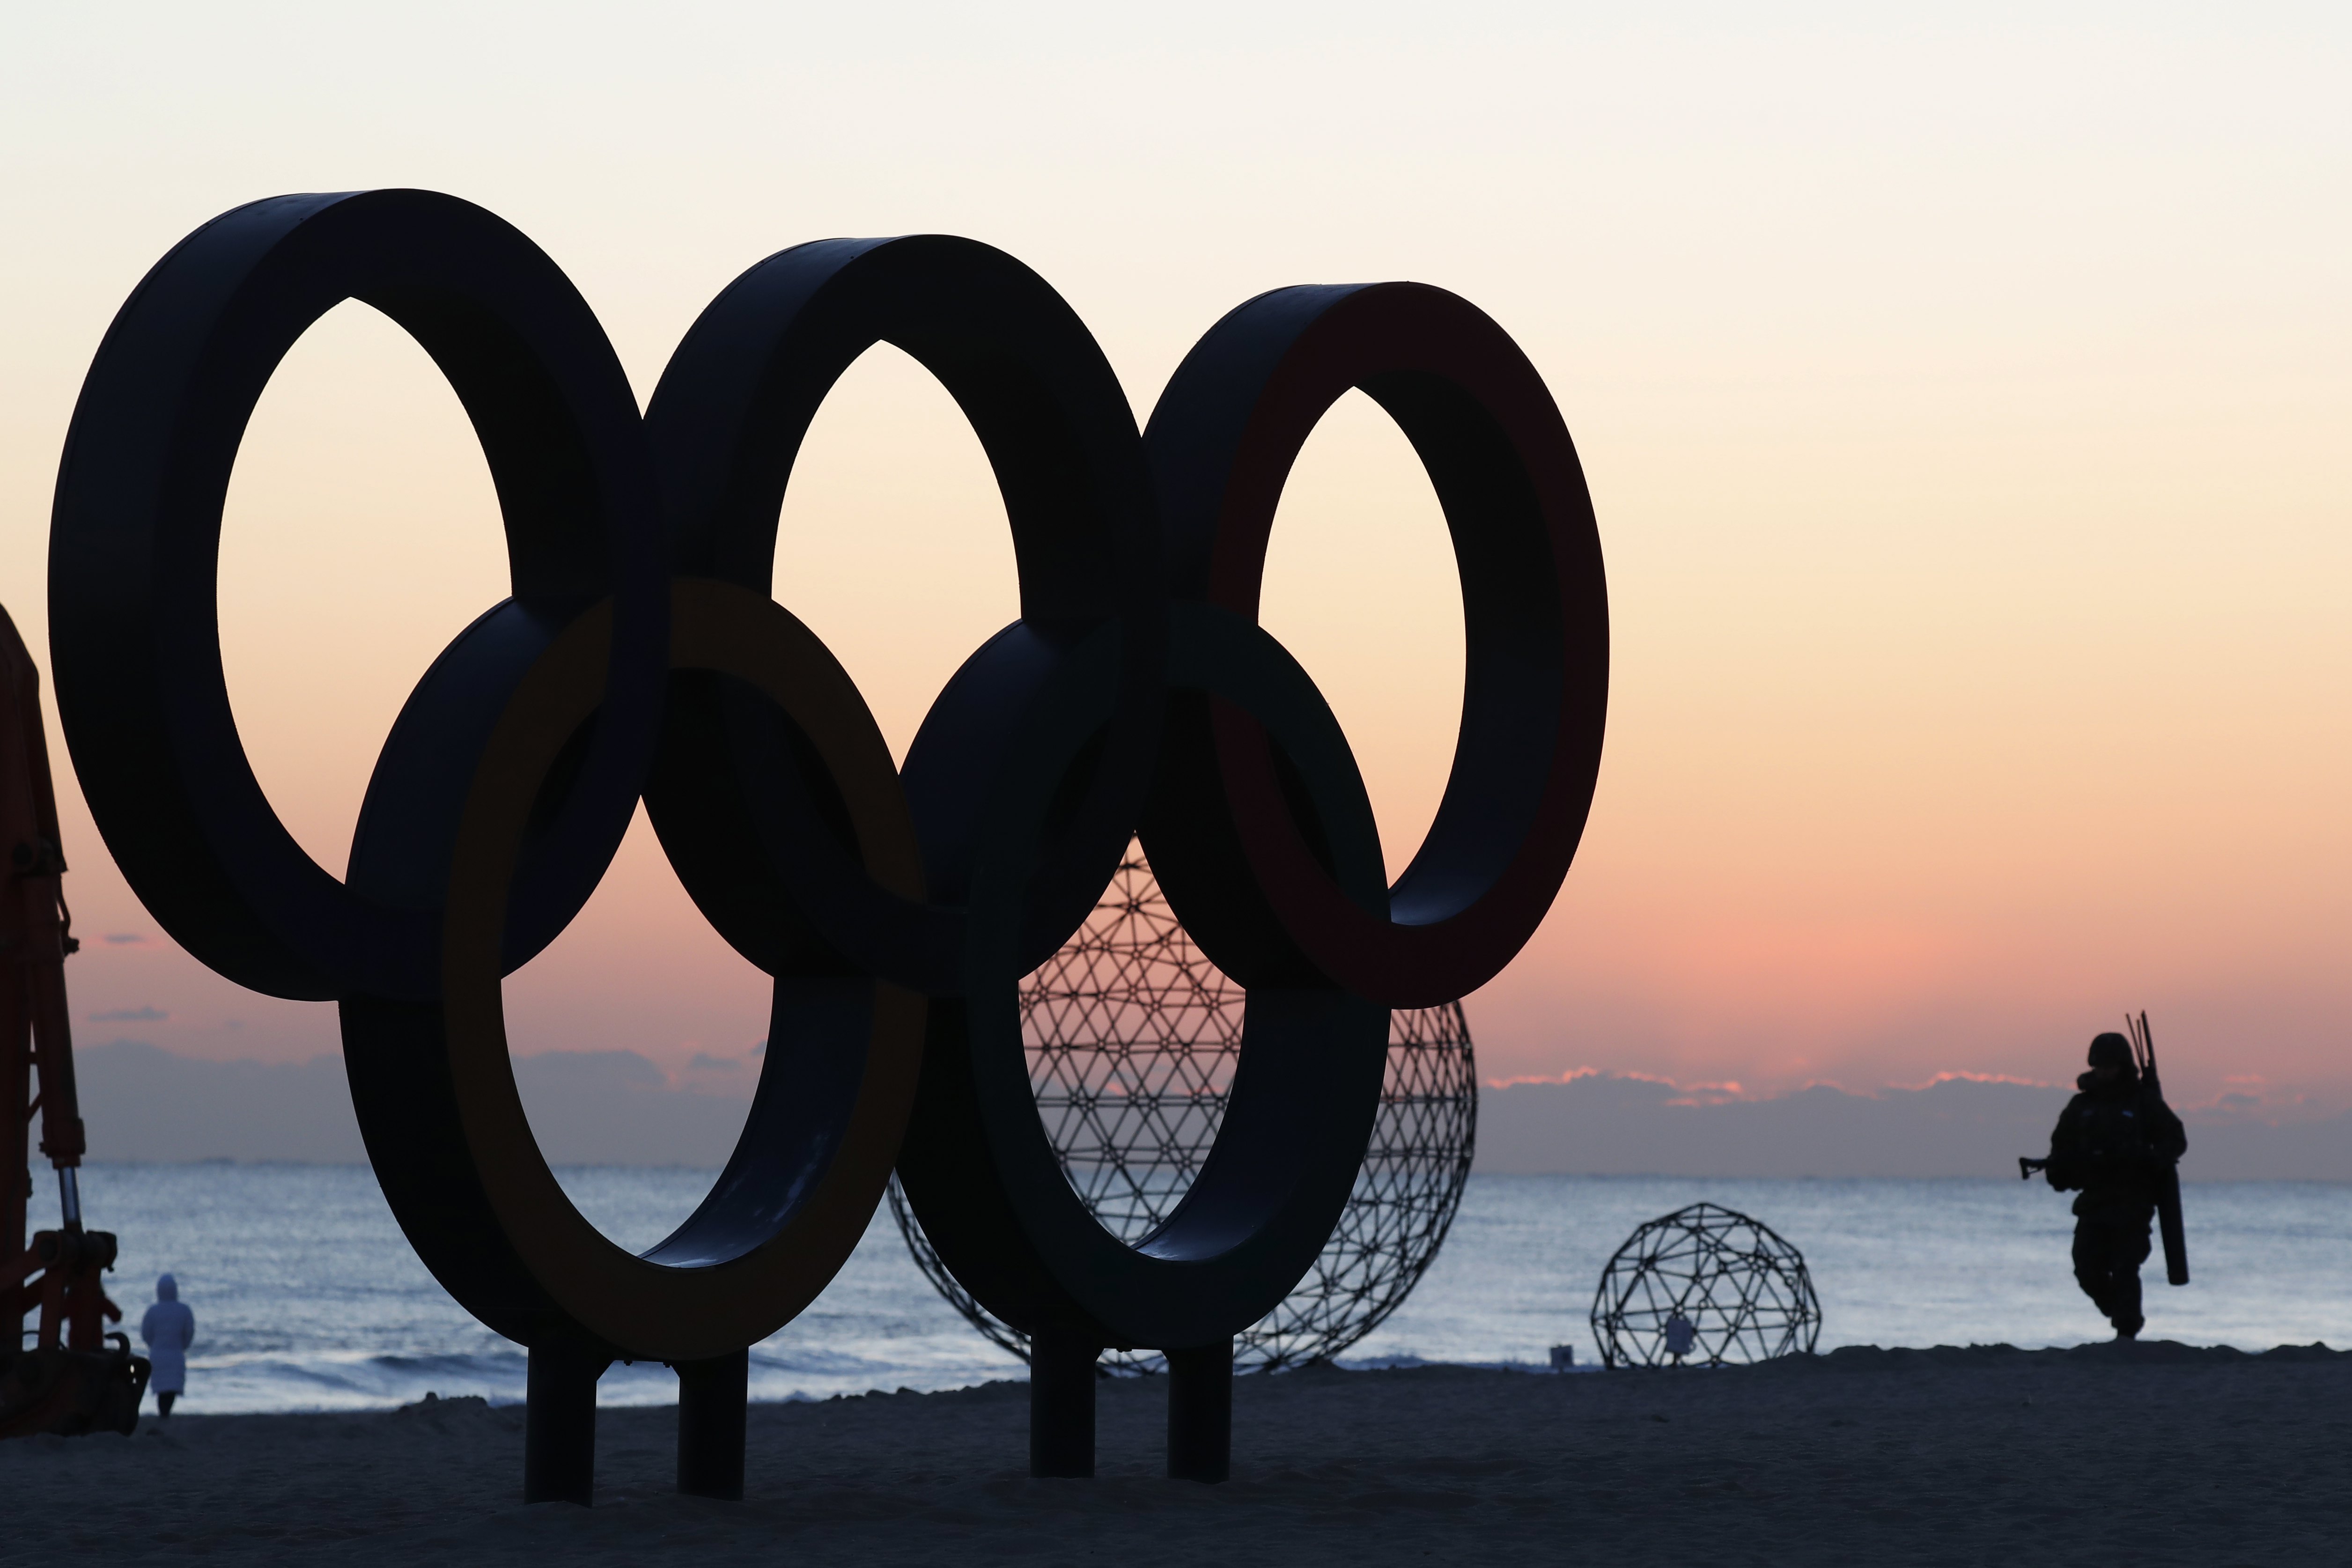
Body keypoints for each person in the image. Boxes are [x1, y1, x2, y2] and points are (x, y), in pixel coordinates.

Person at [2041, 1033, 2186, 1340]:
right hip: (2094, 1200)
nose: (2104, 1071)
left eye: (2110, 1066)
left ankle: (2126, 1331)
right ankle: (2118, 1312)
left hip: (2133, 1199)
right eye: (2099, 1066)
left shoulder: (2143, 1102)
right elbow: (2061, 1146)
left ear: (2122, 1066)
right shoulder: (2080, 1105)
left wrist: (2148, 1159)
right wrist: (2059, 1170)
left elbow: (2175, 1138)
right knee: (2085, 1268)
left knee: (2125, 1265)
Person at [140, 1274, 195, 1417]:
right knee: (171, 1390)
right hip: (176, 1354)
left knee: (162, 1391)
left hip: (157, 1355)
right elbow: (189, 1333)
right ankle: (165, 1414)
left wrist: (154, 1346)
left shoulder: (152, 1311)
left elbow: (146, 1334)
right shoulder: (184, 1310)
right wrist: (183, 1346)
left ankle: (163, 1414)